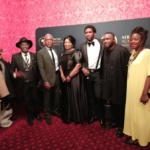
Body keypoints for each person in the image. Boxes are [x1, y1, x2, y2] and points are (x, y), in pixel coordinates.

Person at [123, 27, 150, 146]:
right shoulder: (133, 53)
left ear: (142, 40)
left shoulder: (147, 53)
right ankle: (135, 136)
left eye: (135, 39)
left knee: (142, 116)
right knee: (134, 115)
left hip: (141, 90)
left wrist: (144, 93)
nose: (132, 42)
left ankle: (143, 139)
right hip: (132, 91)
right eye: (131, 39)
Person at [102, 32, 130, 138]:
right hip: (108, 84)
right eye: (104, 39)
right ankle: (115, 121)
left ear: (114, 39)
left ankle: (122, 127)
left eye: (108, 39)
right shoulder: (104, 50)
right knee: (112, 104)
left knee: (120, 106)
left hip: (119, 84)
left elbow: (128, 69)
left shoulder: (122, 50)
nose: (106, 41)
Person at [11, 37, 42, 126]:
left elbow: (38, 69)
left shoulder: (34, 55)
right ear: (20, 46)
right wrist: (15, 74)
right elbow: (11, 70)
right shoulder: (15, 57)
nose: (24, 46)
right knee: (27, 101)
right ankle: (30, 117)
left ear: (29, 46)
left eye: (26, 44)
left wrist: (40, 81)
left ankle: (37, 114)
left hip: (34, 83)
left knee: (36, 100)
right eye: (22, 44)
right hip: (23, 84)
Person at [80, 25, 106, 128]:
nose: (88, 34)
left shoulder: (102, 43)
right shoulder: (82, 46)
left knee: (98, 97)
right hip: (87, 74)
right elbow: (80, 60)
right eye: (86, 32)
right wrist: (82, 68)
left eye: (90, 32)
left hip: (98, 74)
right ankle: (93, 115)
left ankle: (102, 117)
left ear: (94, 33)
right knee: (90, 97)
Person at [59, 35, 89, 124]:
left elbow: (78, 66)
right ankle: (69, 116)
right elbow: (60, 65)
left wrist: (69, 76)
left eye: (69, 42)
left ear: (72, 43)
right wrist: (62, 75)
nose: (66, 44)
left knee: (75, 97)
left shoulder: (77, 52)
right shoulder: (62, 53)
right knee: (67, 97)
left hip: (75, 78)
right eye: (65, 42)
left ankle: (77, 117)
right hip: (64, 78)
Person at [37, 34, 60, 125]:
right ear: (44, 41)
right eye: (47, 40)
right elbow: (41, 68)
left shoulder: (54, 50)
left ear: (53, 41)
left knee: (56, 95)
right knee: (47, 98)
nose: (49, 41)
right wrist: (45, 81)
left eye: (51, 39)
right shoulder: (40, 52)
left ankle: (55, 111)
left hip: (57, 75)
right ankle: (47, 115)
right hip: (47, 78)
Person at [0, 49, 16, 120]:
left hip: (7, 84)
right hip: (2, 86)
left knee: (8, 102)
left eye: (1, 52)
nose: (2, 54)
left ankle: (8, 116)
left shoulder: (3, 62)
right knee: (4, 103)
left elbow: (9, 69)